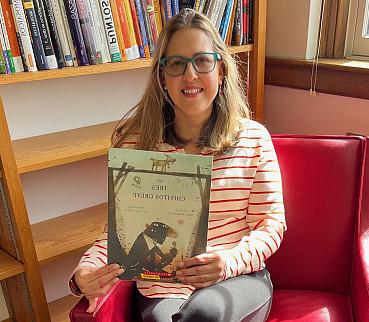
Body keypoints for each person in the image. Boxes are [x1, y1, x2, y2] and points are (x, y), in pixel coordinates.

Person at [69, 8, 286, 322]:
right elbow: (121, 232)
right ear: (162, 75)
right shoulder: (135, 142)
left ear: (221, 70)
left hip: (236, 278)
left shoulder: (253, 138)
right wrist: (85, 271)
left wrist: (227, 261)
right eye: (176, 64)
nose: (190, 75)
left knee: (204, 314)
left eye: (202, 60)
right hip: (162, 286)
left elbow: (271, 226)